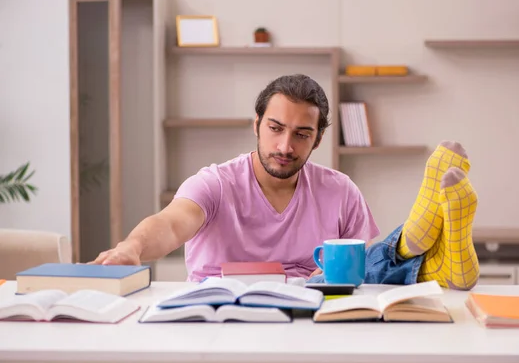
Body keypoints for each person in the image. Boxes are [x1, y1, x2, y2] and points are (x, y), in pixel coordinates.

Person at [90, 74, 479, 290]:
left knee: (372, 267)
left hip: (313, 319)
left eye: (301, 134)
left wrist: (329, 279)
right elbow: (171, 222)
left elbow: (364, 273)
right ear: (257, 124)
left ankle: (437, 250)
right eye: (275, 128)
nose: (285, 145)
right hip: (220, 314)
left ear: (318, 139)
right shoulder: (215, 183)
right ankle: (422, 236)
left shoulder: (340, 189)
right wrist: (132, 247)